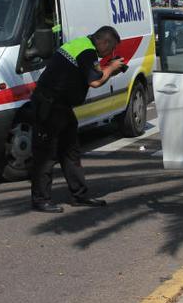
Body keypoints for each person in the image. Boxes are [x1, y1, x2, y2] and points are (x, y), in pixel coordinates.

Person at [29, 26, 127, 213]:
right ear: (103, 42)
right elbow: (95, 81)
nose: (111, 52)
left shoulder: (82, 44)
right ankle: (40, 200)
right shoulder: (87, 51)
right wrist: (111, 68)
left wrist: (107, 69)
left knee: (71, 152)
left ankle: (79, 195)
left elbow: (91, 74)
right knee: (45, 155)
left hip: (62, 107)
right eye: (111, 47)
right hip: (49, 106)